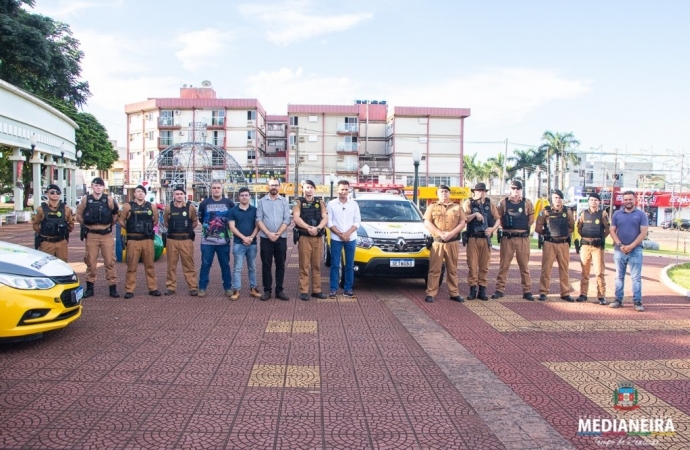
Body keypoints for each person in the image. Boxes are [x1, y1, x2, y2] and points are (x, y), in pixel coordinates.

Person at [76, 177, 120, 299]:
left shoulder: (109, 199)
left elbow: (116, 214)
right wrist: (85, 224)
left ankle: (112, 288)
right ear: (92, 186)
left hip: (106, 235)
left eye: (100, 186)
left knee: (110, 261)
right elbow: (78, 215)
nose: (98, 188)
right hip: (91, 235)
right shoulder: (86, 200)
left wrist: (109, 225)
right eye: (96, 185)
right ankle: (90, 288)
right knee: (90, 261)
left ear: (103, 187)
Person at [492, 180, 535, 300]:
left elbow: (531, 219)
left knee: (524, 266)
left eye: (518, 189)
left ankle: (527, 291)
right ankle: (499, 289)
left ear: (521, 190)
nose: (516, 191)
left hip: (522, 239)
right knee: (504, 265)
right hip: (508, 238)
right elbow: (498, 218)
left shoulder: (527, 203)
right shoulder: (503, 203)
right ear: (510, 189)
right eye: (513, 188)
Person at [423, 185, 467, 303]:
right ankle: (431, 293)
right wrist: (440, 233)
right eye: (441, 192)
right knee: (434, 269)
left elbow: (462, 223)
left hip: (452, 243)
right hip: (437, 243)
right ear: (437, 194)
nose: (444, 194)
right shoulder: (432, 207)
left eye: (446, 192)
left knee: (452, 269)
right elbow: (427, 222)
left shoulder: (457, 207)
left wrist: (451, 234)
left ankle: (454, 293)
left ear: (450, 194)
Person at [609, 190, 649, 312]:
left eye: (630, 199)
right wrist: (620, 245)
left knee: (636, 277)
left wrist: (631, 246)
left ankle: (637, 302)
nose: (628, 201)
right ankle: (618, 300)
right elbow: (612, 231)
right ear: (623, 201)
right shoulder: (617, 214)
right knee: (619, 277)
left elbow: (643, 232)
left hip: (635, 250)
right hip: (619, 250)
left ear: (634, 200)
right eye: (626, 199)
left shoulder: (641, 215)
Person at [119, 185, 161, 298]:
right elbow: (121, 221)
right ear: (134, 194)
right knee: (131, 266)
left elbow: (155, 221)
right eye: (138, 191)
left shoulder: (151, 206)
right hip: (133, 240)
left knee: (150, 265)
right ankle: (129, 290)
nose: (140, 193)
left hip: (147, 240)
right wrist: (130, 229)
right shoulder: (128, 206)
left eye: (142, 192)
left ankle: (153, 288)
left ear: (145, 194)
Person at [535, 189, 575, 302]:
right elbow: (538, 227)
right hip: (549, 243)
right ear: (552, 199)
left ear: (562, 199)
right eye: (555, 198)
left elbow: (572, 227)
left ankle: (565, 293)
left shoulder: (568, 212)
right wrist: (547, 234)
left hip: (563, 244)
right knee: (546, 269)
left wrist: (563, 234)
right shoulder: (545, 211)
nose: (557, 200)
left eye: (559, 198)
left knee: (564, 269)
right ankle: (543, 292)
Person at [462, 182, 499, 301]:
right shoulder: (468, 203)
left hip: (485, 238)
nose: (481, 193)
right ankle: (472, 289)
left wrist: (492, 229)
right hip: (473, 238)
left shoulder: (490, 203)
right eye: (478, 191)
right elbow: (464, 219)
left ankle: (482, 289)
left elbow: (498, 219)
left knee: (484, 266)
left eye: (483, 191)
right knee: (472, 265)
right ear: (474, 192)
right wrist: (475, 214)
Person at [256, 178, 292, 301]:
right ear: (268, 187)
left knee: (280, 264)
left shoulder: (284, 202)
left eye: (276, 185)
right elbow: (259, 219)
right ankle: (267, 290)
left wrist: (277, 234)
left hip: (280, 238)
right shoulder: (261, 202)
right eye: (271, 185)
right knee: (266, 265)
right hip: (266, 238)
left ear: (280, 187)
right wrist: (268, 233)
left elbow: (287, 219)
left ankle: (279, 290)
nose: (274, 187)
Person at [292, 180, 329, 301]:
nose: (309, 190)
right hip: (304, 237)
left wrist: (317, 228)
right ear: (303, 189)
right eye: (307, 187)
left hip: (317, 237)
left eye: (311, 187)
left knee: (316, 265)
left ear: (314, 189)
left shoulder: (320, 202)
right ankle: (304, 291)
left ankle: (316, 290)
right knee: (304, 265)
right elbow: (296, 218)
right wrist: (308, 228)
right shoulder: (299, 202)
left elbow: (325, 218)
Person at [198, 181, 235, 298]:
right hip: (207, 242)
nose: (216, 190)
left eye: (218, 188)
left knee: (225, 265)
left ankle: (228, 287)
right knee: (205, 264)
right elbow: (201, 219)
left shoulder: (229, 203)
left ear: (222, 189)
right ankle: (202, 287)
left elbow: (233, 219)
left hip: (224, 242)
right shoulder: (204, 203)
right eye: (214, 188)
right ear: (211, 189)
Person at [327, 180, 361, 298]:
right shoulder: (331, 204)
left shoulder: (354, 204)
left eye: (346, 189)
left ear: (349, 190)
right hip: (336, 238)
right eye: (342, 189)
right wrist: (340, 234)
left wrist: (347, 234)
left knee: (350, 264)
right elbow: (329, 222)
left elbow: (357, 221)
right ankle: (333, 289)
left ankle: (348, 288)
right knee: (335, 264)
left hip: (351, 238)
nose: (344, 192)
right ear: (337, 190)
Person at [163, 185, 199, 296]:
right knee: (171, 265)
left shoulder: (190, 208)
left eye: (181, 194)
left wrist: (186, 230)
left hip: (186, 240)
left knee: (189, 264)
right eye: (177, 194)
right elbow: (166, 222)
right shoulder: (168, 208)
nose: (179, 196)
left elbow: (194, 222)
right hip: (172, 240)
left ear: (184, 195)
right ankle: (170, 286)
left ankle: (193, 287)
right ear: (173, 195)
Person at [576, 192, 610, 305]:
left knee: (599, 272)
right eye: (591, 200)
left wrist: (600, 238)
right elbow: (579, 228)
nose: (593, 202)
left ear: (599, 202)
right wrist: (586, 238)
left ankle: (601, 296)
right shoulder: (583, 214)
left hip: (597, 247)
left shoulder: (602, 214)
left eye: (595, 200)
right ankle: (583, 294)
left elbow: (607, 229)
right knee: (585, 272)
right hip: (585, 245)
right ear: (588, 201)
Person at [228, 187, 261, 301]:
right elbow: (232, 227)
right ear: (239, 197)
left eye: (246, 195)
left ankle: (253, 288)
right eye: (242, 195)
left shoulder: (255, 210)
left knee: (252, 267)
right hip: (238, 243)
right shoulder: (233, 211)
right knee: (237, 268)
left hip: (252, 243)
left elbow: (258, 226)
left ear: (249, 196)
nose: (244, 197)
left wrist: (251, 237)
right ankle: (236, 290)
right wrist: (244, 238)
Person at [32, 184, 74, 262]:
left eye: (57, 192)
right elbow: (35, 225)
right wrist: (44, 232)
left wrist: (63, 230)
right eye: (52, 192)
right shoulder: (40, 209)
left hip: (61, 243)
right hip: (46, 243)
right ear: (47, 194)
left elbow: (71, 224)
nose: (55, 194)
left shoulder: (66, 209)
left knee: (62, 266)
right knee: (46, 267)